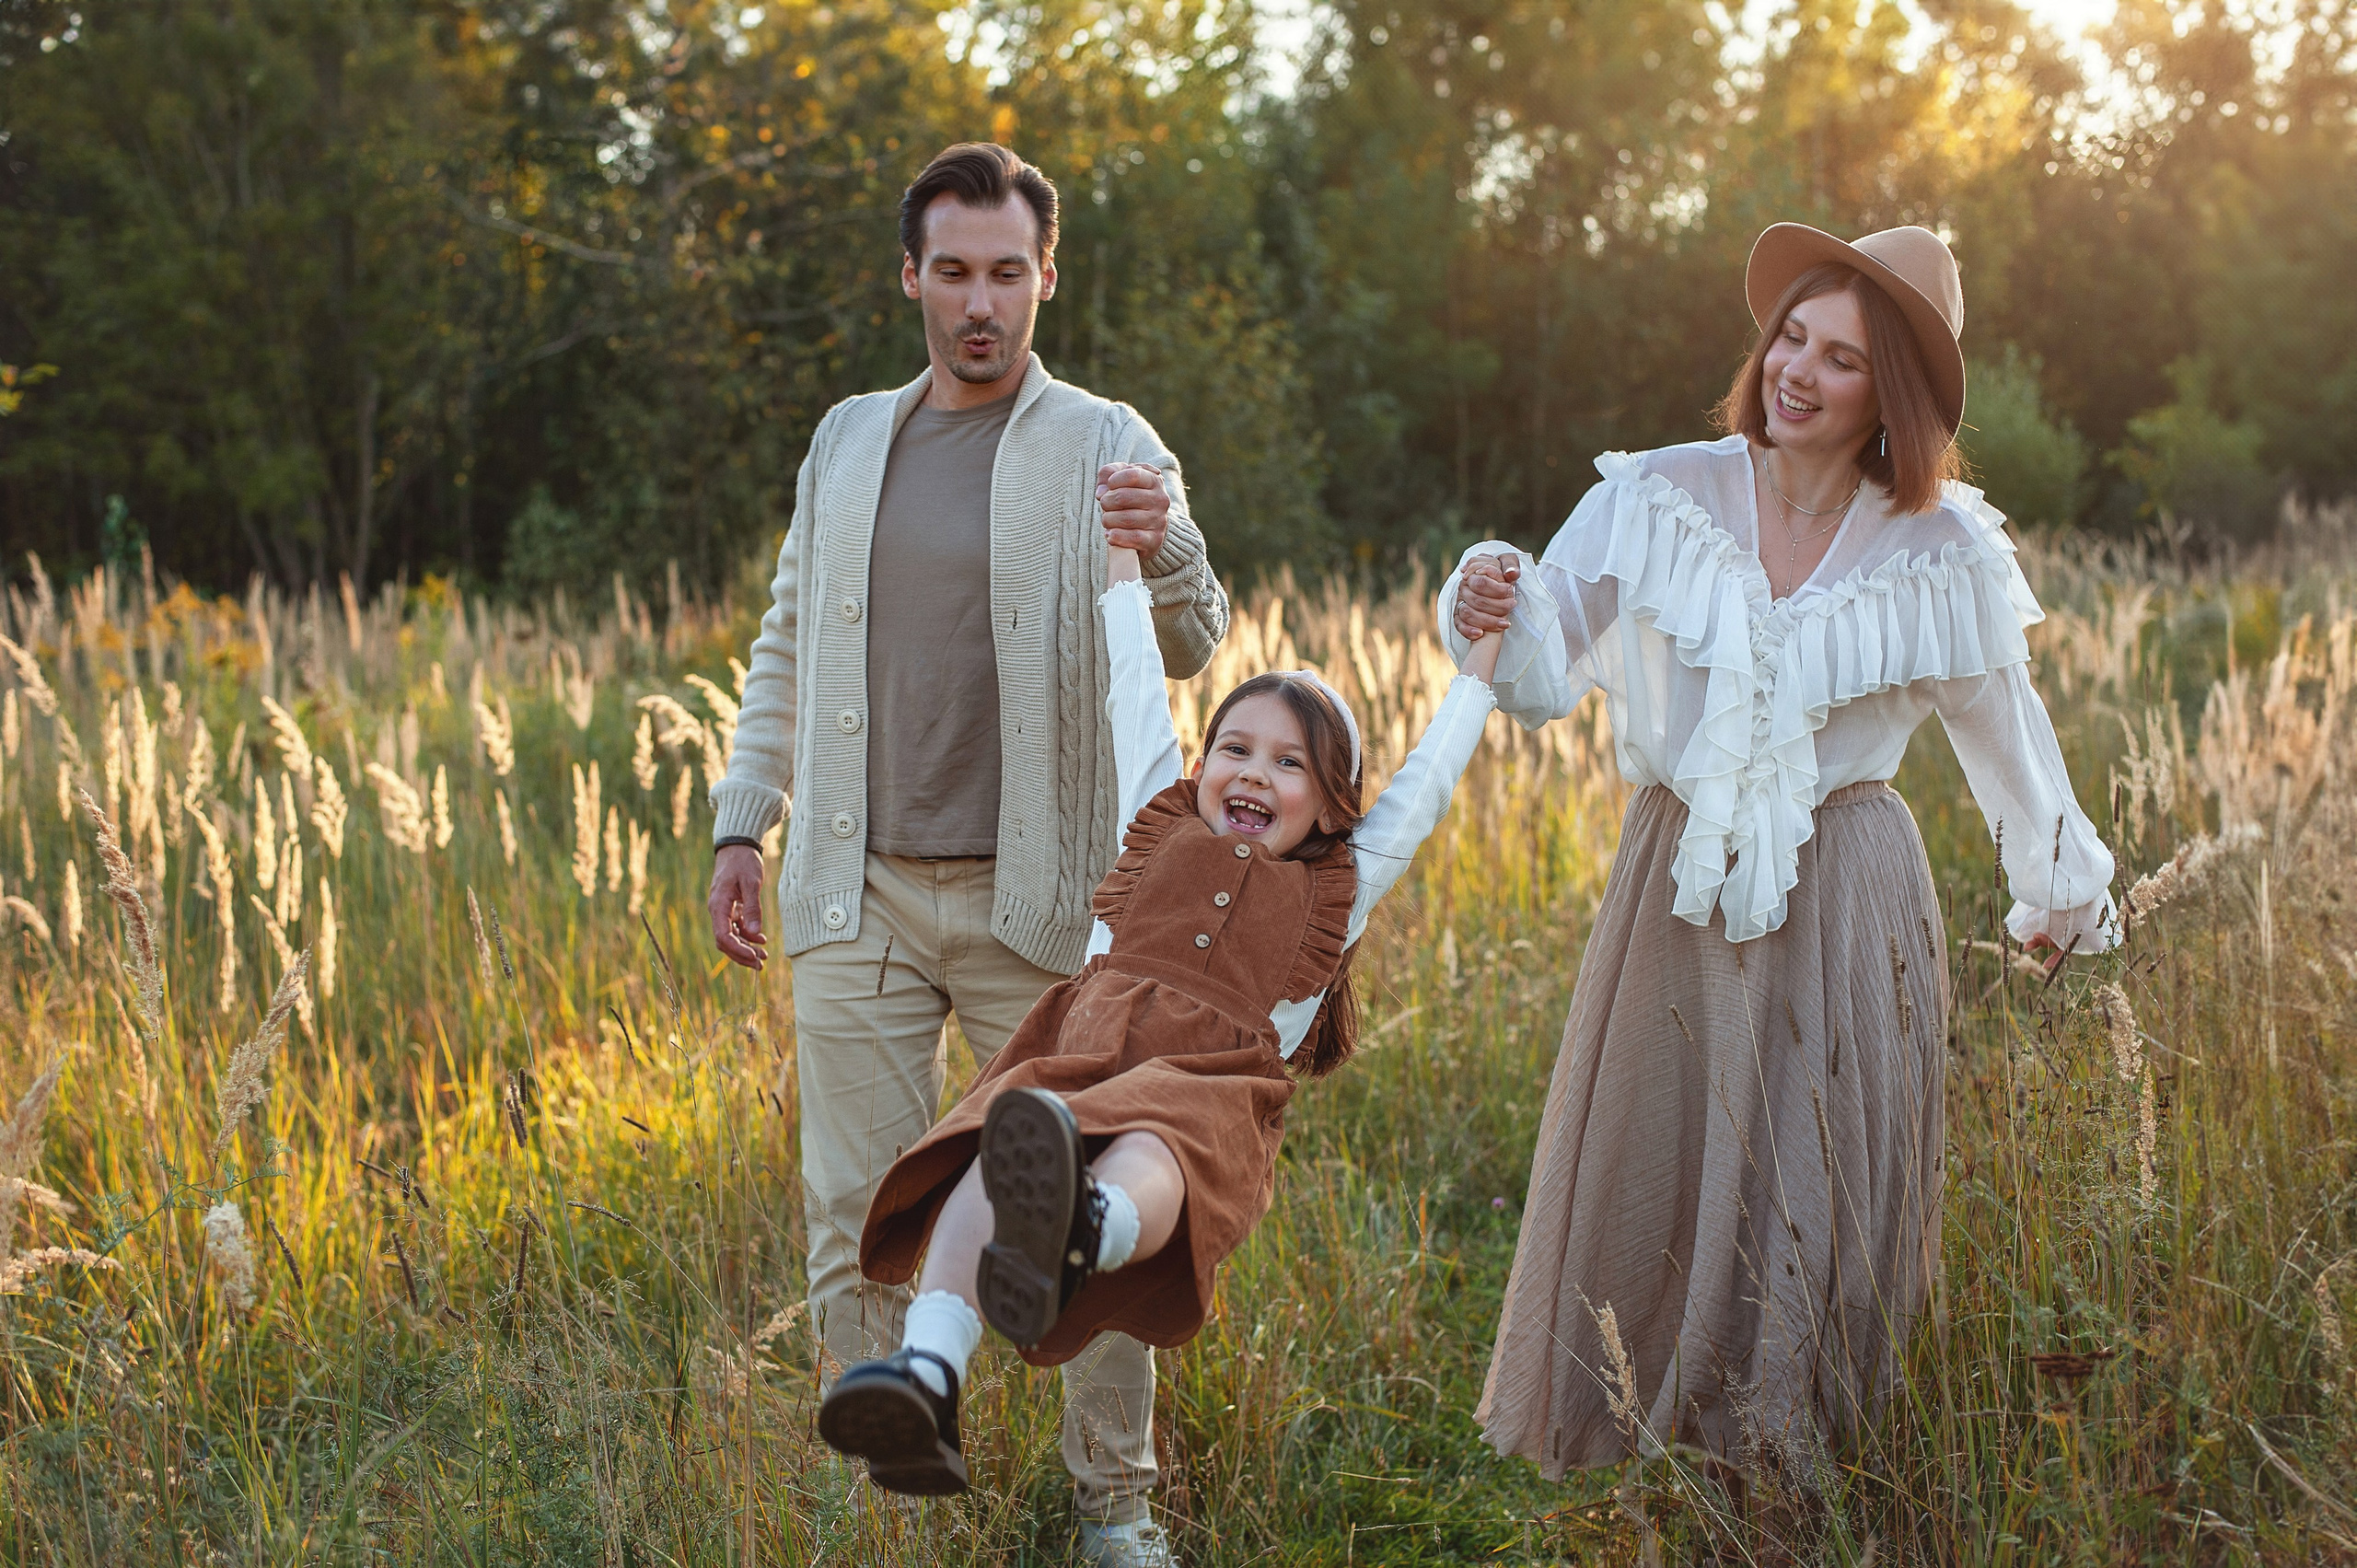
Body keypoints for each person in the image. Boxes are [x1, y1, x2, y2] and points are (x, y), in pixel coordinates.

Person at [1446, 225, 2119, 1489]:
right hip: (1678, 872)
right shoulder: (1658, 492)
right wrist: (1488, 605)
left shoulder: (1941, 551)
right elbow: (1541, 665)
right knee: (1664, 1142)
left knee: (1812, 1165)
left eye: (1842, 357)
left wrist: (2055, 890)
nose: (1798, 371)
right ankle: (1646, 1439)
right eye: (1791, 337)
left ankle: (1787, 1458)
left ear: (1892, 398)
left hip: (1852, 875)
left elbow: (2008, 737)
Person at [705, 143, 1228, 1567]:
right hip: (852, 884)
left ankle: (1113, 1504)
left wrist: (1167, 542)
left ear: (1047, 275)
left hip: (1044, 906)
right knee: (853, 1206)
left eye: (1009, 272)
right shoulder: (846, 439)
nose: (981, 303)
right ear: (912, 278)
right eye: (954, 273)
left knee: (1071, 1206)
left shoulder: (1110, 435)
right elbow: (786, 637)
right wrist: (742, 816)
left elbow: (1194, 634)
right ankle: (881, 1497)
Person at [809, 536, 1507, 1498]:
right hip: (1078, 1049)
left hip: (1209, 1083)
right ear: (1203, 761)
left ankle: (1082, 1224)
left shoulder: (1343, 884)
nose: (1254, 772)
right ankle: (927, 1373)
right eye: (1235, 747)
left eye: (1289, 762)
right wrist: (1121, 567)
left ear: (1334, 800)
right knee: (988, 1154)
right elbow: (1130, 689)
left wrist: (1483, 661)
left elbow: (1427, 781)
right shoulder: (1158, 816)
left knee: (1158, 1142)